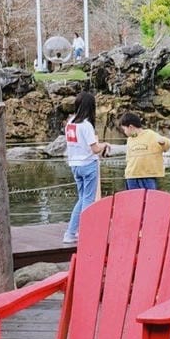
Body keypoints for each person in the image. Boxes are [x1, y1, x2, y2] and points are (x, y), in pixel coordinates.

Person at [62, 91, 108, 244]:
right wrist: (105, 145)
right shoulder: (86, 125)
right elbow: (94, 149)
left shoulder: (70, 123)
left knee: (81, 198)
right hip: (88, 165)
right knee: (88, 200)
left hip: (74, 165)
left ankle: (70, 233)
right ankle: (85, 233)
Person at [118, 111, 170, 190]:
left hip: (148, 175)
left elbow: (167, 146)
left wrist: (163, 142)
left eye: (124, 129)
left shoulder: (150, 134)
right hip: (132, 176)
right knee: (134, 199)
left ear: (131, 127)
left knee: (149, 198)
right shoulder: (130, 140)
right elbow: (128, 158)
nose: (124, 132)